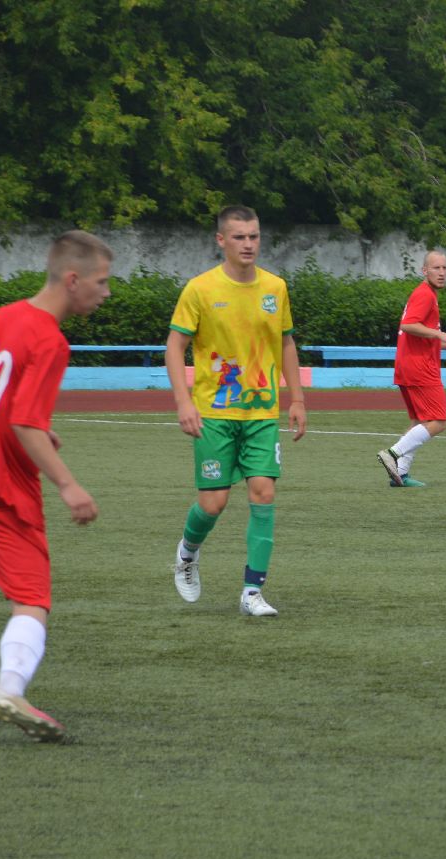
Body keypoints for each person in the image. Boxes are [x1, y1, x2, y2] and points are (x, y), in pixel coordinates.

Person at [0, 230, 113, 741]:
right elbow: (22, 422)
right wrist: (68, 485)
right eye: (102, 282)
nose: (106, 293)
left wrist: (37, 427)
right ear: (73, 279)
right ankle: (9, 689)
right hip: (3, 491)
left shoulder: (5, 315)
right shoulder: (49, 339)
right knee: (31, 598)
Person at [166, 205, 307, 617]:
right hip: (214, 413)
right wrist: (183, 401)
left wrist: (296, 398)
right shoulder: (200, 290)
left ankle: (252, 592)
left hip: (262, 413)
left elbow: (286, 343)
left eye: (255, 236)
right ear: (221, 241)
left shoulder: (275, 288)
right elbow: (175, 347)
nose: (249, 244)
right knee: (213, 503)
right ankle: (188, 553)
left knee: (263, 492)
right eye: (240, 237)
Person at [377, 250, 446, 488]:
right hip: (420, 368)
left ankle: (400, 476)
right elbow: (408, 325)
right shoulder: (425, 294)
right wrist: (441, 334)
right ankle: (393, 454)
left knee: (419, 421)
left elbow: (418, 332)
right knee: (438, 421)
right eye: (436, 268)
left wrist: (445, 345)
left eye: (445, 268)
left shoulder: (426, 294)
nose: (442, 273)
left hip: (408, 365)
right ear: (424, 271)